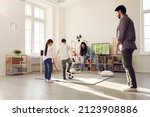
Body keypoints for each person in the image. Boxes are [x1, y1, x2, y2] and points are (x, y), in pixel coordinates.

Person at [115, 5, 137, 92]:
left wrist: (116, 46)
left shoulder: (124, 19)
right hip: (127, 45)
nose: (117, 15)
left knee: (127, 65)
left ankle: (133, 86)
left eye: (117, 13)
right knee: (126, 65)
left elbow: (121, 35)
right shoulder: (128, 19)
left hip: (127, 45)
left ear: (120, 11)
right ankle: (130, 84)